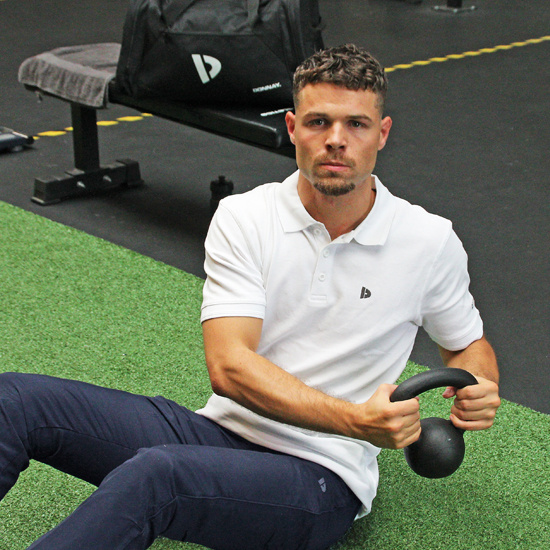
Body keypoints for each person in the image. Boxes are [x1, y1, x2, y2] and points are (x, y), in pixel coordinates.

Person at [0, 44, 500, 550]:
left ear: (382, 133)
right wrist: (356, 419)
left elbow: (466, 345)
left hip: (322, 473)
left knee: (157, 475)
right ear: (292, 128)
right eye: (318, 122)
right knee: (13, 400)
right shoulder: (245, 217)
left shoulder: (428, 240)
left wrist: (479, 384)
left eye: (356, 124)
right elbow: (230, 367)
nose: (336, 140)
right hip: (221, 434)